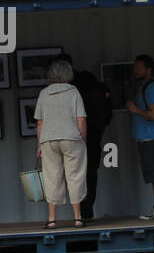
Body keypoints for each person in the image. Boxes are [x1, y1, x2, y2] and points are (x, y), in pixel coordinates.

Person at [57, 53, 112, 222]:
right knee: (89, 173)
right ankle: (86, 211)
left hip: (76, 136)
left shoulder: (67, 87)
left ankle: (80, 213)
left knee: (73, 173)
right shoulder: (90, 80)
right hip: (93, 134)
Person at [34, 58, 88, 228]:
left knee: (52, 177)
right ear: (68, 74)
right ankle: (78, 217)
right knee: (75, 175)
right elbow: (81, 119)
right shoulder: (74, 92)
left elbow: (40, 123)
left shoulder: (44, 93)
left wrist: (39, 145)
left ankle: (51, 219)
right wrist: (83, 140)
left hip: (48, 139)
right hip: (71, 138)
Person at [124, 53, 154, 219]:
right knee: (153, 173)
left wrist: (136, 110)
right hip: (144, 137)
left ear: (148, 70)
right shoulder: (143, 86)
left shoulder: (152, 88)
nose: (135, 70)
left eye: (138, 67)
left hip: (151, 137)